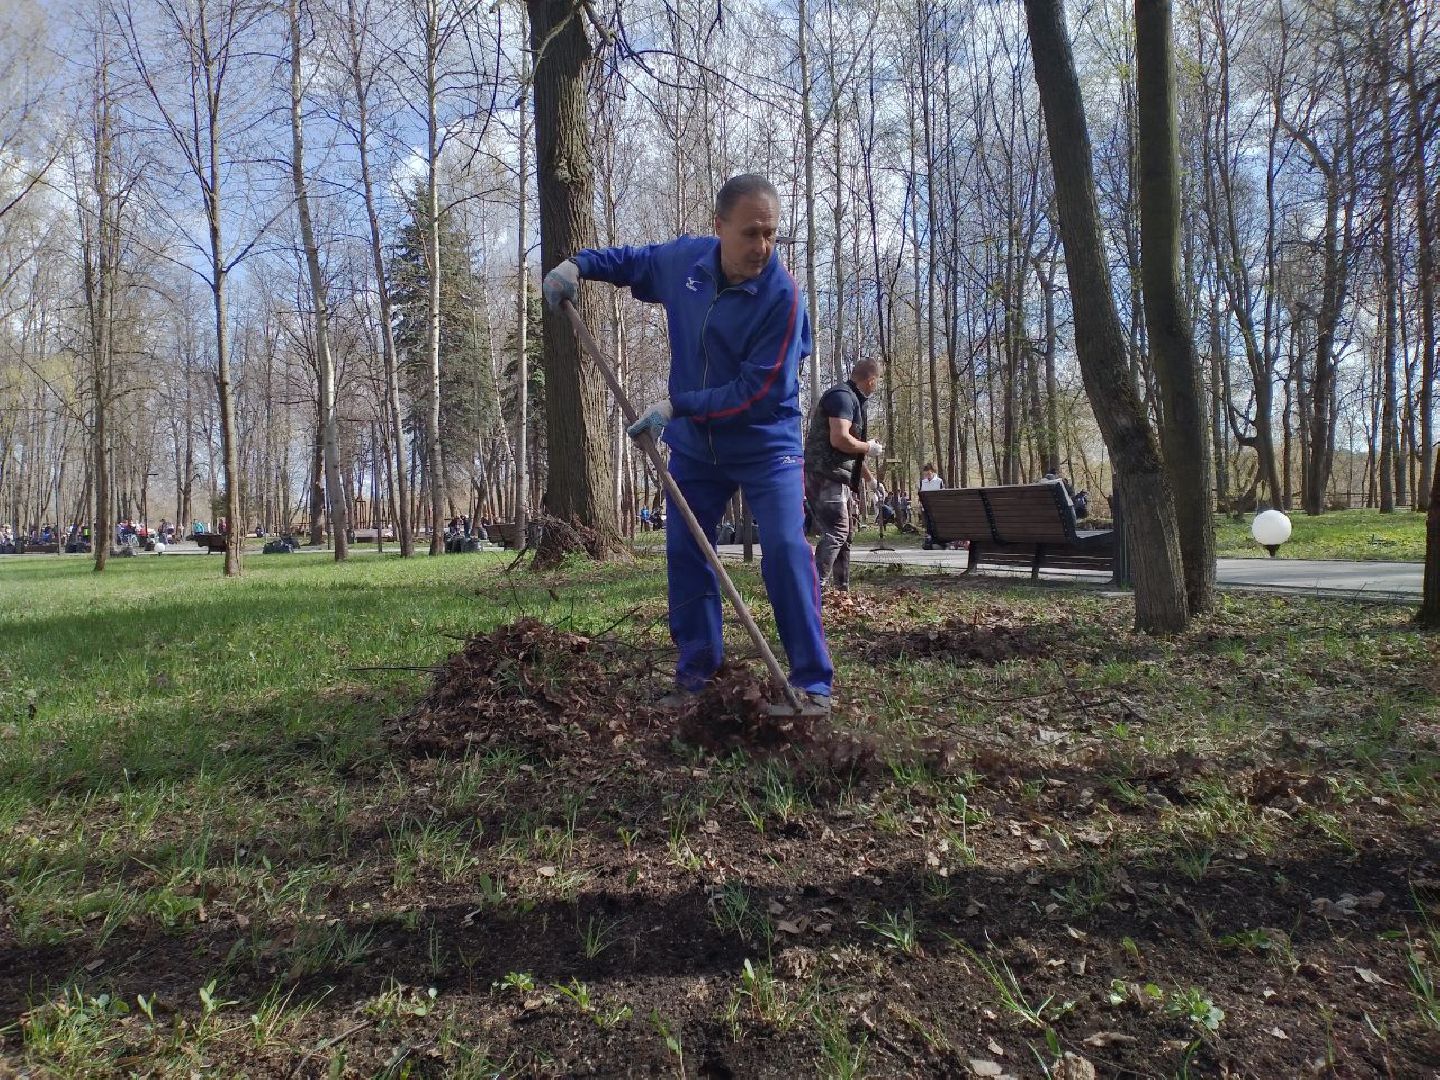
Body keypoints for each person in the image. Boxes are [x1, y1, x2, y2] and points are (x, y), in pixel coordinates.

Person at [543, 172, 833, 713]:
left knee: (785, 548)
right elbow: (633, 262)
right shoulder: (686, 263)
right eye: (751, 233)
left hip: (765, 444)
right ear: (719, 226)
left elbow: (760, 391)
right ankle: (697, 675)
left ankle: (812, 683)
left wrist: (678, 406)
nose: (763, 246)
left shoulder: (783, 297)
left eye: (771, 233)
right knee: (686, 550)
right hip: (699, 448)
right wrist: (577, 265)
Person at [805, 359, 883, 592]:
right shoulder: (842, 397)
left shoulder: (853, 400)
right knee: (837, 531)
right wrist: (868, 447)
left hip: (837, 475)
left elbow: (850, 450)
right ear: (871, 380)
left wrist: (870, 480)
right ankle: (813, 590)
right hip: (825, 474)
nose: (876, 386)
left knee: (845, 534)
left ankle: (841, 589)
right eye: (877, 381)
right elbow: (839, 440)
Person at [919, 463, 944, 549]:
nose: (927, 476)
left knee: (936, 526)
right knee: (928, 525)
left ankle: (938, 542)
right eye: (926, 474)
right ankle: (930, 542)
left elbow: (942, 494)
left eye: (929, 473)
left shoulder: (939, 481)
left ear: (933, 472)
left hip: (937, 508)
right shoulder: (923, 482)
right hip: (926, 508)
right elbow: (921, 494)